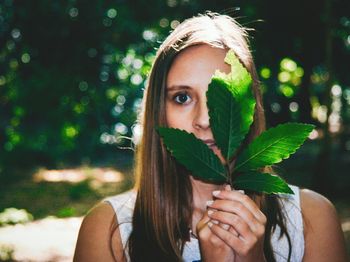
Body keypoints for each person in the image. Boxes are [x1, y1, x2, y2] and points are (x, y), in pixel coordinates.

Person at [73, 12, 347, 262]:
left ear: (249, 109)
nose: (204, 120)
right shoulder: (109, 231)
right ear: (158, 112)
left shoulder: (312, 220)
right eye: (182, 97)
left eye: (224, 97)